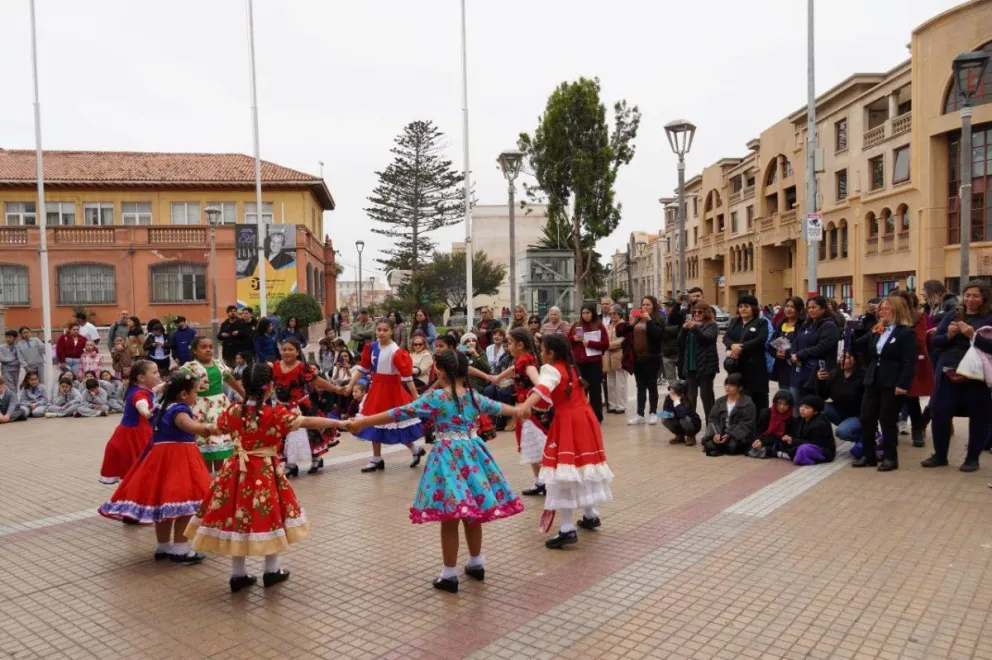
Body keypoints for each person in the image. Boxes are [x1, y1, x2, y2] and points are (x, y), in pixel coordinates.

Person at [346, 351, 522, 592]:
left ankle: (449, 575)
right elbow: (500, 408)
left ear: (440, 372)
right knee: (473, 513)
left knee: (450, 517)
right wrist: (520, 410)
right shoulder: (473, 395)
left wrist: (363, 421)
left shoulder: (438, 397)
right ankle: (476, 563)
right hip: (473, 456)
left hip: (447, 459)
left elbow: (400, 412)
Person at [185, 362, 346, 592]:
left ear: (244, 385)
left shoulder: (232, 411)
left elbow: (214, 428)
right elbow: (308, 421)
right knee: (270, 516)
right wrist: (341, 423)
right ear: (270, 386)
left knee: (235, 517)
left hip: (235, 472)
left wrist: (190, 425)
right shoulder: (273, 414)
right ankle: (272, 570)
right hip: (264, 473)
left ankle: (238, 575)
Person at [99, 371, 216, 565]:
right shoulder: (180, 410)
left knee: (164, 506)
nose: (197, 397)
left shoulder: (161, 406)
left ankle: (163, 546)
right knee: (184, 505)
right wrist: (207, 428)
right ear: (184, 395)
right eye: (195, 393)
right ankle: (180, 549)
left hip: (159, 460)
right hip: (180, 461)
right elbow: (187, 425)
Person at [516, 334, 614, 549]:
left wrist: (526, 405)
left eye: (542, 350)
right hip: (585, 419)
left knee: (562, 472)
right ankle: (590, 514)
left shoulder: (551, 369)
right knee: (582, 466)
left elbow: (542, 389)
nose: (540, 354)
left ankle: (567, 528)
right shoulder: (571, 367)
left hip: (568, 422)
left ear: (551, 353)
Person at [924, 280, 992, 472]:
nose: (970, 299)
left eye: (976, 296)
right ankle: (940, 455)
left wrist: (973, 336)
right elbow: (936, 342)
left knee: (978, 416)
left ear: (984, 297)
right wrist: (949, 336)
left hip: (976, 375)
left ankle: (972, 459)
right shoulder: (953, 314)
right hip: (948, 372)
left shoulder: (988, 319)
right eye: (968, 295)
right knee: (939, 412)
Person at [344, 318, 426, 472]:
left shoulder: (396, 351)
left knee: (396, 424)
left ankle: (414, 448)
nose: (381, 333)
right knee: (374, 422)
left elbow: (407, 377)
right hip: (376, 388)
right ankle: (377, 458)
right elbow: (363, 368)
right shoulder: (372, 347)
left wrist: (415, 396)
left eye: (385, 330)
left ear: (391, 331)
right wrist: (350, 384)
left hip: (392, 390)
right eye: (379, 330)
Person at [852, 296, 917, 472]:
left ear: (897, 310)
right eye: (881, 308)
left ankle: (890, 457)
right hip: (873, 379)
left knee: (887, 420)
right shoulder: (877, 329)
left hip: (892, 382)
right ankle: (868, 455)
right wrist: (850, 331)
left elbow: (909, 362)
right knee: (866, 418)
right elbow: (857, 345)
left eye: (886, 308)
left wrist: (903, 383)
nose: (882, 311)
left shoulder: (906, 333)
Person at [488, 327, 550, 495]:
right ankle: (540, 481)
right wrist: (499, 378)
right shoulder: (522, 359)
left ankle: (546, 480)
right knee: (530, 444)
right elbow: (514, 369)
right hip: (524, 407)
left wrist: (538, 388)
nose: (508, 346)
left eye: (510, 343)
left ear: (520, 344)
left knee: (535, 444)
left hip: (530, 409)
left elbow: (535, 379)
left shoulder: (527, 360)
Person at [272, 338, 340, 477]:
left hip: (302, 406)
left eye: (290, 349)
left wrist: (335, 389)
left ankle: (317, 458)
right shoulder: (276, 366)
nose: (286, 352)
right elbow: (270, 384)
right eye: (284, 349)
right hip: (282, 407)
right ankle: (291, 464)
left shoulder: (303, 367)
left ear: (297, 352)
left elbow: (317, 380)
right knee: (285, 435)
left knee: (310, 433)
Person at [178, 337, 246, 473]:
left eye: (210, 346)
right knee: (204, 442)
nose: (208, 349)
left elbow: (230, 380)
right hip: (200, 408)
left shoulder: (219, 364)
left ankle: (220, 478)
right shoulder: (190, 367)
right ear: (195, 351)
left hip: (220, 406)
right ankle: (206, 478)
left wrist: (244, 394)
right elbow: (177, 381)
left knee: (219, 440)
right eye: (203, 347)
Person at [99, 361, 160, 485]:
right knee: (139, 467)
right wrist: (146, 412)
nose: (158, 375)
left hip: (134, 432)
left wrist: (166, 385)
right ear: (141, 378)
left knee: (138, 470)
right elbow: (141, 402)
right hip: (134, 436)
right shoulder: (139, 393)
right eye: (154, 372)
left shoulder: (138, 388)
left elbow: (153, 390)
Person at [889, 290, 935, 448]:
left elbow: (920, 340)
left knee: (911, 398)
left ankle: (918, 430)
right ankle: (890, 429)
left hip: (912, 362)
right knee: (891, 398)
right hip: (892, 363)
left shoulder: (918, 317)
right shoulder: (889, 317)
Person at [617, 296, 664, 425]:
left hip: (652, 357)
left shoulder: (657, 319)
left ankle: (653, 413)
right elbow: (620, 332)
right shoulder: (637, 320)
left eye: (648, 305)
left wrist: (649, 320)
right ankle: (640, 414)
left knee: (652, 385)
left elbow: (657, 335)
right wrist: (630, 323)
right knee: (640, 386)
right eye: (643, 305)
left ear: (653, 306)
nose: (645, 307)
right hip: (637, 358)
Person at [789, 296, 840, 405]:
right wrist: (793, 354)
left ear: (823, 309)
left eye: (814, 307)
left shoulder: (829, 325)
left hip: (814, 373)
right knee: (796, 404)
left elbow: (823, 346)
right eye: (809, 307)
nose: (811, 310)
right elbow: (796, 341)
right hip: (799, 372)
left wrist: (801, 354)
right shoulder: (807, 324)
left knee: (810, 407)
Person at [723, 295, 770, 410]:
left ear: (753, 308)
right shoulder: (735, 322)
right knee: (737, 396)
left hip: (755, 368)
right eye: (740, 306)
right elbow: (726, 337)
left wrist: (741, 347)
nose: (743, 309)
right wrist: (732, 345)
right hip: (736, 367)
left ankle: (758, 425)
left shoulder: (761, 322)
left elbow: (761, 339)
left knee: (756, 399)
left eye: (746, 306)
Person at [566, 303, 610, 422]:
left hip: (594, 363)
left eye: (588, 313)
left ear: (593, 313)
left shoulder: (599, 326)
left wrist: (590, 343)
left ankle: (597, 417)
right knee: (580, 391)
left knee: (595, 390)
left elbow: (606, 344)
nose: (585, 315)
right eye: (583, 313)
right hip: (579, 363)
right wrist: (573, 339)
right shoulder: (576, 325)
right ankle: (581, 416)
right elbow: (566, 340)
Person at [679, 302, 720, 422]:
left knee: (706, 398)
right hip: (691, 367)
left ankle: (711, 425)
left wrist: (694, 327)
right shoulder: (690, 325)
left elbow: (705, 339)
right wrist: (684, 329)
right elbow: (680, 342)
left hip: (706, 367)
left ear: (706, 312)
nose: (697, 314)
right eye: (694, 312)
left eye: (700, 312)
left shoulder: (712, 325)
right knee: (690, 398)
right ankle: (691, 426)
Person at [814, 352, 865, 445]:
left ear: (855, 360)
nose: (842, 360)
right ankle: (822, 440)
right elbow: (823, 395)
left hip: (858, 415)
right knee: (818, 407)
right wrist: (820, 381)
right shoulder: (835, 373)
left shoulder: (863, 376)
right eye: (841, 357)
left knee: (841, 432)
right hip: (839, 411)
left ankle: (866, 439)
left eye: (847, 358)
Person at [700, 373, 756, 457]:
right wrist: (716, 433)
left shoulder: (748, 403)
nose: (727, 387)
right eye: (726, 384)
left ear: (740, 387)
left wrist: (730, 434)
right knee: (710, 444)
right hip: (721, 432)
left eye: (731, 385)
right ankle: (718, 446)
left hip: (737, 435)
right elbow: (712, 419)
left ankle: (721, 447)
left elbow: (746, 424)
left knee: (732, 447)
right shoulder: (720, 401)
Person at [773, 396, 836, 466]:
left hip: (820, 450)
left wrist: (793, 440)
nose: (802, 409)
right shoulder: (801, 419)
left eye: (807, 407)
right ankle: (782, 452)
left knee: (803, 449)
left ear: (815, 412)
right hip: (802, 444)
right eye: (801, 406)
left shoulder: (820, 424)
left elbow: (814, 443)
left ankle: (780, 454)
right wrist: (788, 438)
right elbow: (795, 434)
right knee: (782, 440)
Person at [768, 297, 805, 391]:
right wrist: (776, 353)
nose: (788, 309)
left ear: (799, 309)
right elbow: (771, 343)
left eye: (792, 307)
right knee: (784, 397)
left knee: (795, 397)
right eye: (787, 306)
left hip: (797, 367)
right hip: (782, 367)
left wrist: (789, 353)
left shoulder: (804, 325)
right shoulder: (781, 323)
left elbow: (803, 344)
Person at [747, 390, 795, 458]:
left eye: (785, 404)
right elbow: (759, 431)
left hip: (776, 441)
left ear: (790, 406)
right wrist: (758, 440)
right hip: (763, 438)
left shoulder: (790, 419)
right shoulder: (766, 413)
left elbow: (782, 437)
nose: (782, 407)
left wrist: (763, 442)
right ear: (775, 403)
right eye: (780, 403)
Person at [662, 380, 702, 446]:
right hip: (677, 419)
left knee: (684, 419)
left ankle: (691, 437)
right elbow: (666, 411)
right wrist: (666, 414)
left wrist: (677, 402)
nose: (670, 394)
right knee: (664, 418)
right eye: (670, 391)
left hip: (692, 424)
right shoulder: (668, 398)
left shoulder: (687, 400)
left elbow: (682, 414)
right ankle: (680, 436)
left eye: (673, 392)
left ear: (681, 393)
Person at [604, 307, 628, 415]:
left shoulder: (624, 325)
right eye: (610, 313)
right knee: (610, 383)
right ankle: (612, 404)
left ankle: (621, 405)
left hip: (620, 355)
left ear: (620, 314)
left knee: (621, 383)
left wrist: (607, 345)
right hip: (608, 357)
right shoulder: (609, 326)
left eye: (615, 313)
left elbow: (622, 340)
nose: (612, 316)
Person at [661, 300, 682, 383]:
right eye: (665, 306)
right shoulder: (663, 318)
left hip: (677, 351)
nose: (667, 308)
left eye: (669, 306)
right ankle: (674, 394)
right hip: (667, 352)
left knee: (682, 379)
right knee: (671, 380)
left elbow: (678, 330)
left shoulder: (679, 317)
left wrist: (664, 329)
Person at [1, 330, 21, 397]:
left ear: (15, 338)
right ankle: (14, 400)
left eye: (10, 337)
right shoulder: (1, 347)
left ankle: (12, 400)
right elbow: (2, 359)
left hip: (16, 369)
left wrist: (10, 361)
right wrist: (13, 358)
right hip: (6, 370)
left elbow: (20, 359)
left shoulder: (18, 347)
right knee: (10, 386)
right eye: (6, 337)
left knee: (15, 385)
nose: (8, 339)